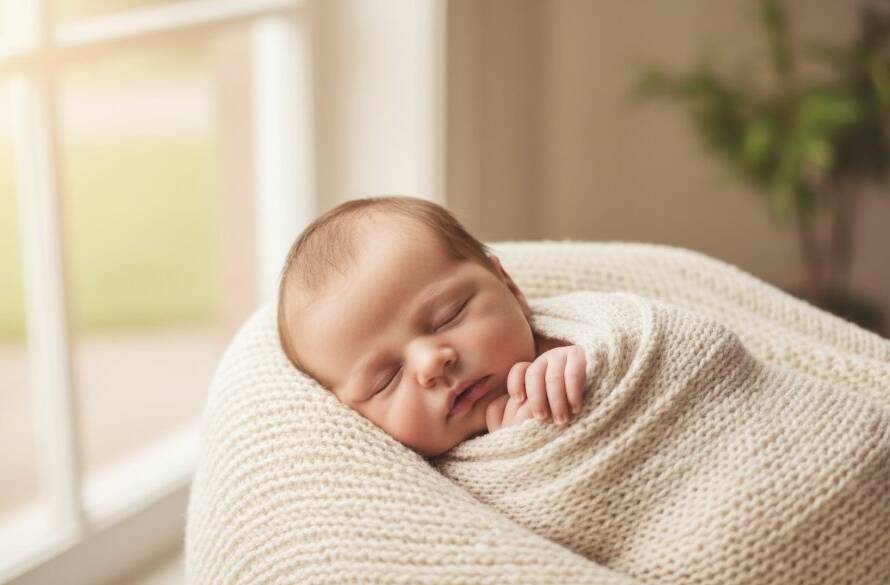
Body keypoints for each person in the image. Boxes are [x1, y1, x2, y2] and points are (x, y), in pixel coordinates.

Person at [277, 196, 587, 456]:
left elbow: (628, 338)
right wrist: (520, 451)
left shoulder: (580, 333)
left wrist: (583, 366)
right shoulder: (415, 483)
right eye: (386, 379)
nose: (431, 363)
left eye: (449, 316)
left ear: (509, 286)